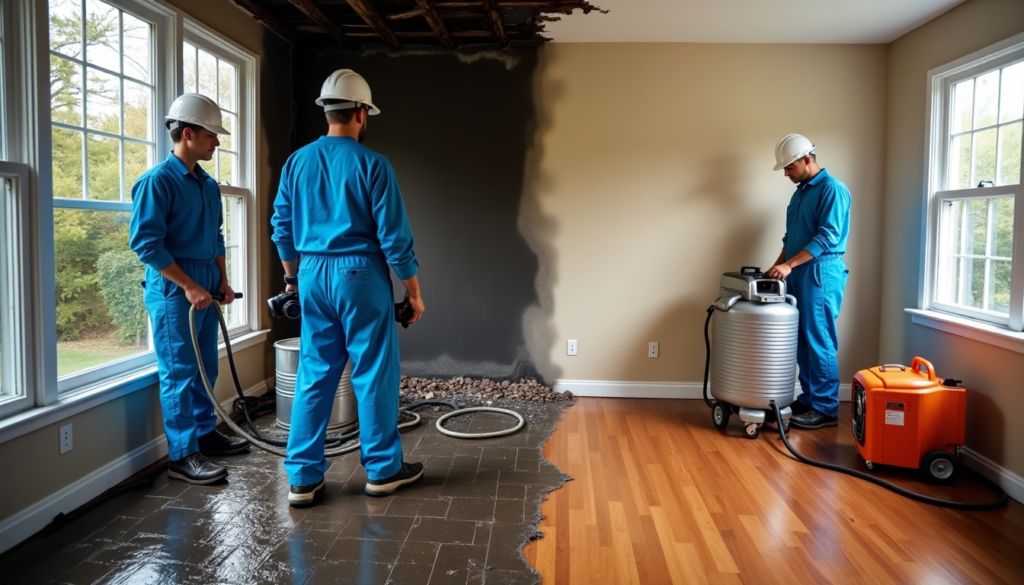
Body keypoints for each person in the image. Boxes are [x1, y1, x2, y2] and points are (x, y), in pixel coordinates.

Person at [272, 69, 425, 508]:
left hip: (310, 273)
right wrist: (413, 291)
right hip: (360, 274)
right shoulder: (374, 165)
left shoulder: (296, 162)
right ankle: (382, 471)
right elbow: (395, 240)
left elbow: (282, 227)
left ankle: (302, 478)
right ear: (361, 113)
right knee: (373, 371)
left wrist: (292, 277)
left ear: (326, 110)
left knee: (315, 374)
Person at [130, 93, 249, 484]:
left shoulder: (208, 184)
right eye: (212, 134)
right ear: (187, 133)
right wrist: (190, 286)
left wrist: (223, 281)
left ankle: (203, 434)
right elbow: (147, 245)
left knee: (205, 368)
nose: (217, 142)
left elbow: (215, 238)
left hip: (205, 284)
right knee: (180, 372)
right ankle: (182, 456)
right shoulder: (156, 182)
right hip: (173, 288)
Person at [766, 134, 851, 430]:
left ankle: (826, 408)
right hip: (797, 269)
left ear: (807, 159)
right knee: (799, 338)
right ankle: (810, 397)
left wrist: (789, 265)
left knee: (820, 338)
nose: (786, 174)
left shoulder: (832, 190)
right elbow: (791, 239)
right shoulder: (800, 193)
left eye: (789, 168)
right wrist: (777, 266)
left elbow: (826, 237)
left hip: (820, 272)